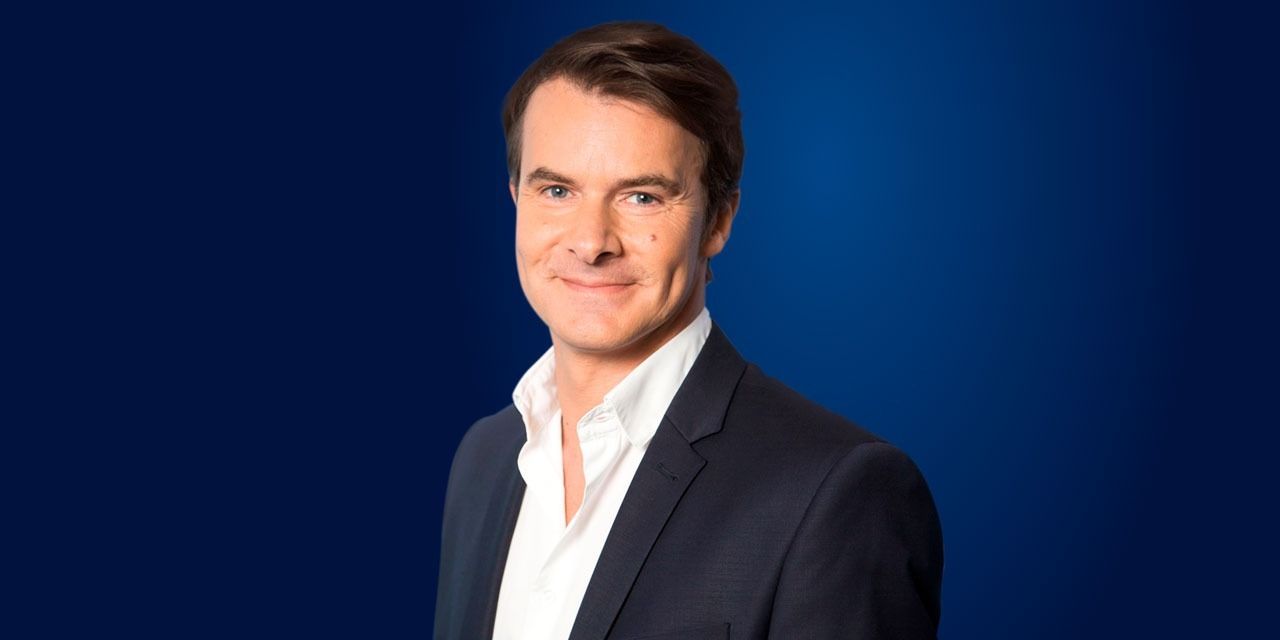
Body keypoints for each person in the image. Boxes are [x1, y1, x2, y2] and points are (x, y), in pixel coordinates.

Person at [435, 21, 943, 640]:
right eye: (558, 189)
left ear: (718, 220)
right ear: (516, 198)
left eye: (642, 197)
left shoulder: (838, 494)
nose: (591, 242)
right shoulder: (485, 460)